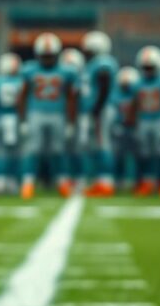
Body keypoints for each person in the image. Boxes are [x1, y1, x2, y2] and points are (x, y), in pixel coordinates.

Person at [17, 32, 77, 200]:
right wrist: (23, 120)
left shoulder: (67, 71)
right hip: (35, 113)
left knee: (58, 150)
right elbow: (22, 96)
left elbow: (72, 98)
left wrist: (71, 122)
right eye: (45, 56)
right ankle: (28, 183)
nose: (47, 59)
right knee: (33, 150)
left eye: (50, 56)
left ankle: (63, 182)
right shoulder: (29, 70)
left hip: (58, 114)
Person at [132, 45, 160, 197]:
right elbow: (136, 104)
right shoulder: (138, 83)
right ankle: (147, 182)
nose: (148, 70)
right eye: (146, 67)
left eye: (151, 67)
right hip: (144, 120)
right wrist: (134, 122)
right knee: (144, 154)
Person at [79, 31, 119, 198]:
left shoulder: (103, 63)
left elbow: (104, 84)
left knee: (103, 144)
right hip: (98, 109)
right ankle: (101, 181)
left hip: (102, 109)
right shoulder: (96, 63)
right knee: (98, 145)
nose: (85, 52)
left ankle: (106, 182)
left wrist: (96, 108)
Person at [0, 53, 24, 194]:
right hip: (15, 119)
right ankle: (11, 179)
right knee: (14, 152)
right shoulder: (20, 82)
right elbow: (21, 103)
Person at [59, 48, 85, 194]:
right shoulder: (61, 77)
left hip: (80, 117)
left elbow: (76, 100)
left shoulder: (81, 79)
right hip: (63, 117)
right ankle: (65, 179)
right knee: (63, 150)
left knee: (77, 150)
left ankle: (79, 179)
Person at [111, 66, 140, 191]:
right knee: (119, 156)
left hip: (135, 128)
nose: (126, 87)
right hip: (121, 128)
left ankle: (138, 181)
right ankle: (119, 180)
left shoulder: (138, 94)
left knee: (138, 156)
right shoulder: (115, 96)